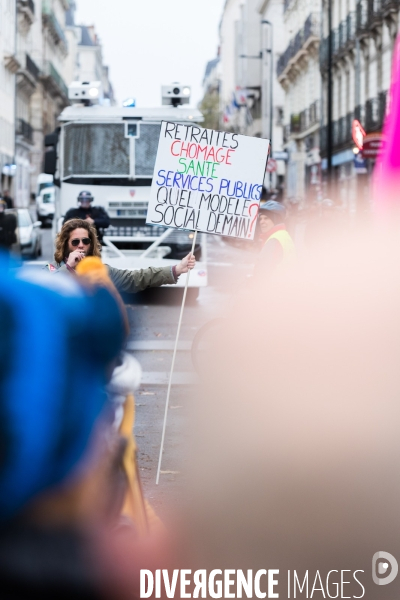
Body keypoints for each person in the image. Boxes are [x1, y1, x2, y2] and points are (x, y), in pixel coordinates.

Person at [47, 218, 196, 293]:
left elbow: (137, 278)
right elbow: (44, 292)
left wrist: (176, 269)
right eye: (75, 241)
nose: (81, 245)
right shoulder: (52, 269)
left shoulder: (102, 272)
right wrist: (68, 267)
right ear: (66, 244)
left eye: (85, 241)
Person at [254, 200, 295, 278]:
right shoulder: (284, 235)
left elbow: (262, 271)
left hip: (272, 286)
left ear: (275, 220)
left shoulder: (274, 240)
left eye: (266, 218)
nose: (261, 222)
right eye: (260, 218)